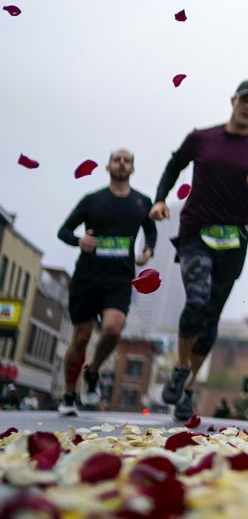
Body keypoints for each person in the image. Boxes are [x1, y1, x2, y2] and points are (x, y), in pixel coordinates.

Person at [150, 80, 248, 422]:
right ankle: (181, 369)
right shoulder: (202, 138)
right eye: (243, 99)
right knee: (196, 301)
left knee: (210, 320)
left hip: (235, 240)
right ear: (232, 101)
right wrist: (159, 199)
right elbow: (174, 166)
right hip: (196, 231)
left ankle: (186, 387)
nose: (247, 106)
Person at [57, 149, 157, 416]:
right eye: (117, 159)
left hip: (119, 278)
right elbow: (63, 231)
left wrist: (148, 249)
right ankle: (69, 393)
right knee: (82, 336)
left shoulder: (141, 202)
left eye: (127, 160)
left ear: (133, 169)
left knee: (112, 330)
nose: (122, 164)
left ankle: (93, 370)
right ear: (108, 166)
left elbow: (151, 230)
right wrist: (79, 240)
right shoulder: (93, 200)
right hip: (88, 277)